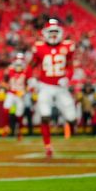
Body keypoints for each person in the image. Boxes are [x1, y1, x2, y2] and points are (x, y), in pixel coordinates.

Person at [27, 19, 76, 158]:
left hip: (61, 88)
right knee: (45, 115)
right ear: (45, 33)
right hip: (45, 86)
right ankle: (48, 146)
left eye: (56, 31)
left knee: (72, 118)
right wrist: (31, 79)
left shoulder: (68, 47)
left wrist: (68, 77)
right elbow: (31, 66)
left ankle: (71, 126)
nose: (53, 35)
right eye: (51, 32)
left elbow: (71, 66)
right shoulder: (39, 48)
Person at [2, 53, 28, 139]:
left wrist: (24, 91)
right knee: (6, 108)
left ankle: (20, 131)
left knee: (19, 114)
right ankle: (6, 127)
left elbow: (29, 84)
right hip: (12, 93)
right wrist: (7, 87)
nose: (19, 66)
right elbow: (3, 82)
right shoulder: (10, 70)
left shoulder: (26, 71)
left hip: (20, 95)